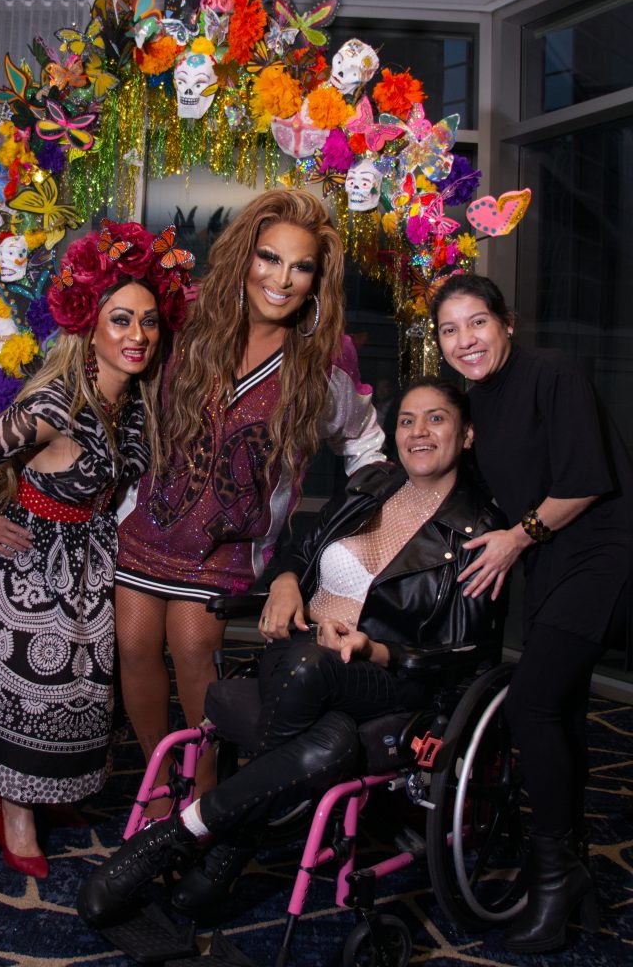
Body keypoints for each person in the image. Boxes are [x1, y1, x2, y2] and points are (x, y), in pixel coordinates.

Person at [76, 378, 504, 927]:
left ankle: (177, 839)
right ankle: (225, 846)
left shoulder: (479, 530)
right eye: (407, 420)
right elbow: (300, 553)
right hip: (303, 655)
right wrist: (283, 581)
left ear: (467, 434)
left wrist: (374, 648)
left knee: (309, 666)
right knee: (331, 741)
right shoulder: (371, 485)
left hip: (383, 674)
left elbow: (463, 651)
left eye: (436, 419)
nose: (419, 432)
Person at [0, 220, 184, 878]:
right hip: (24, 558)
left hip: (86, 559)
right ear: (90, 328)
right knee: (36, 688)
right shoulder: (57, 404)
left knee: (81, 688)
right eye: (120, 320)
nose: (138, 335)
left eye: (147, 321)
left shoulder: (131, 403)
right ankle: (15, 807)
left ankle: (45, 791)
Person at [112, 189, 386, 808]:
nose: (281, 279)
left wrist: (348, 531)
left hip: (230, 544)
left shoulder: (325, 358)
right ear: (244, 256)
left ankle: (203, 800)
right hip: (146, 522)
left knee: (192, 652)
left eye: (301, 266)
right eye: (269, 258)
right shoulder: (186, 317)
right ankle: (159, 788)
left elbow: (364, 445)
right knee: (133, 647)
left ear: (317, 280)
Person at [431, 274, 632, 953]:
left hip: (602, 554)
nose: (465, 340)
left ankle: (555, 877)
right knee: (561, 714)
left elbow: (584, 482)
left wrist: (517, 539)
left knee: (532, 705)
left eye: (477, 323)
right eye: (450, 330)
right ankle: (569, 872)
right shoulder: (479, 401)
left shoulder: (554, 374)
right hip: (552, 564)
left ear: (507, 323)